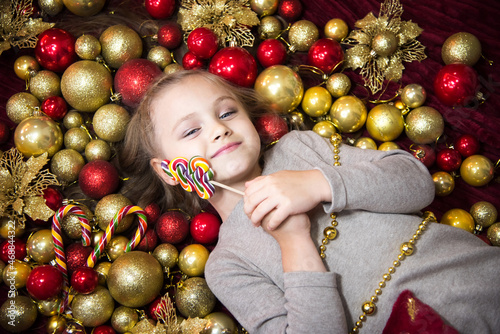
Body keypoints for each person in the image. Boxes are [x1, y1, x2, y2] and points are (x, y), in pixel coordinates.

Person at [121, 70, 500, 333]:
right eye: (191, 130)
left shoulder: (299, 148)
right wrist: (294, 242)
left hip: (475, 281)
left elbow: (417, 184)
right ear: (170, 170)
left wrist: (319, 183)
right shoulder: (227, 265)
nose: (219, 128)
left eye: (227, 112)